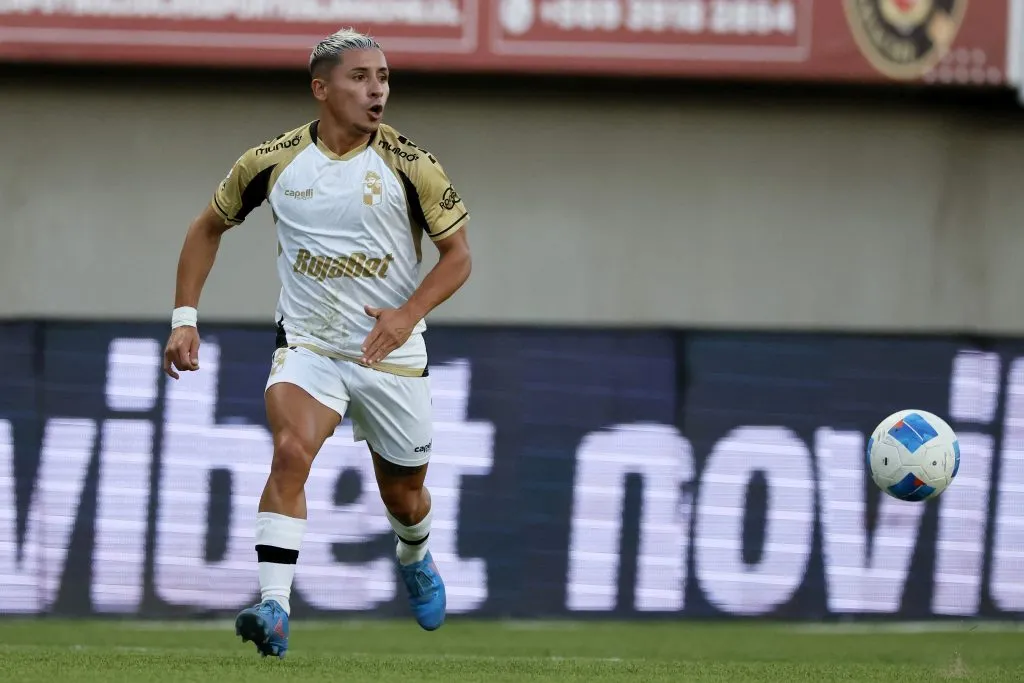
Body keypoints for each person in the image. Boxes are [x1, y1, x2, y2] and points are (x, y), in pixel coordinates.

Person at [161, 28, 472, 659]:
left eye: (383, 77)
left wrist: (406, 315)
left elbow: (458, 257)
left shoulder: (413, 164)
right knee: (290, 451)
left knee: (404, 496)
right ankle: (274, 606)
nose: (377, 90)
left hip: (392, 356)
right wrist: (184, 318)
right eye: (360, 77)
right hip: (310, 346)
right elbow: (206, 227)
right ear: (321, 89)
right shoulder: (272, 162)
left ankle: (414, 555)